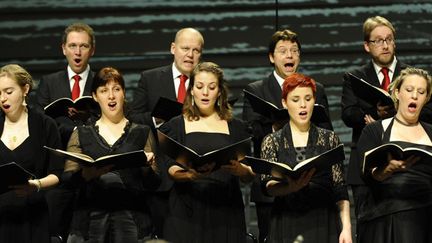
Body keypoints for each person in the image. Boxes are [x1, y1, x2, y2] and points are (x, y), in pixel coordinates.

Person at [242, 29, 333, 243]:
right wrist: (276, 128)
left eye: (294, 51)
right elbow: (250, 131)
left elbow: (328, 129)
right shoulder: (256, 90)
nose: (289, 55)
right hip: (272, 183)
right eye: (283, 51)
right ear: (272, 57)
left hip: (312, 184)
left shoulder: (315, 89)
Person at [61, 67, 160, 243]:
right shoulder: (82, 133)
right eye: (104, 90)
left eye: (116, 89)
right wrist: (87, 174)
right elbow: (68, 180)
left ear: (123, 93)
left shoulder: (142, 132)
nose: (111, 96)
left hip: (132, 222)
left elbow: (154, 183)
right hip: (90, 222)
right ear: (94, 96)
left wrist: (146, 168)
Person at [159, 62, 254, 243]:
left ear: (219, 92)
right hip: (187, 209)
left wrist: (239, 169)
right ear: (191, 90)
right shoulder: (176, 125)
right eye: (199, 86)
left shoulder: (237, 127)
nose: (205, 93)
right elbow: (169, 169)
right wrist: (189, 175)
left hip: (226, 209)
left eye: (211, 87)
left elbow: (249, 174)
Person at [129, 27, 204, 237]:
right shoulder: (150, 78)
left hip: (196, 176)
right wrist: (156, 118)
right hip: (161, 177)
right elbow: (133, 116)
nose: (190, 55)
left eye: (196, 50)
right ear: (173, 48)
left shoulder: (206, 84)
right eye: (185, 48)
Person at [260, 73, 352, 243]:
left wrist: (346, 228)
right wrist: (291, 187)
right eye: (295, 100)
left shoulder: (329, 139)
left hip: (323, 219)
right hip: (287, 220)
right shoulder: (272, 141)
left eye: (308, 98)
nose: (303, 105)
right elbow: (268, 186)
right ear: (284, 103)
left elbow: (340, 188)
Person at [35, 22, 97, 241]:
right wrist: (71, 127)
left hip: (92, 172)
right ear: (63, 49)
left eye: (83, 46)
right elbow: (39, 123)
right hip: (58, 174)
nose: (77, 52)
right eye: (72, 45)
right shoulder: (49, 83)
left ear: (92, 50)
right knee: (55, 234)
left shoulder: (102, 82)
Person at [356, 67, 432, 243]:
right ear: (397, 93)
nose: (414, 96)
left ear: (426, 98)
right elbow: (367, 174)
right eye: (409, 90)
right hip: (387, 215)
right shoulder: (375, 130)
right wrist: (386, 170)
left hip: (426, 216)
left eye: (421, 92)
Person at [0, 64, 63, 242]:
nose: (3, 98)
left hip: (33, 215)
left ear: (25, 89)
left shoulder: (44, 125)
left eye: (9, 91)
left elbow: (58, 172)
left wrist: (36, 185)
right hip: (2, 215)